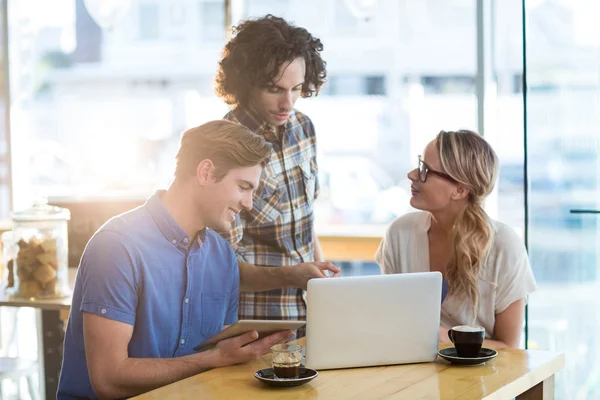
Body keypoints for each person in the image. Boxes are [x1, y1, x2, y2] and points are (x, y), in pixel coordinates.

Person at [57, 120, 295, 399]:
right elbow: (109, 380)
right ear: (206, 172)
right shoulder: (117, 247)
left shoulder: (223, 257)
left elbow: (219, 361)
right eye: (243, 187)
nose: (249, 204)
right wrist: (214, 359)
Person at [215, 15, 339, 332]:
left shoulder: (303, 128)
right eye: (275, 89)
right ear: (245, 82)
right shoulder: (225, 146)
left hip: (313, 315)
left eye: (296, 88)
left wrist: (324, 286)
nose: (288, 102)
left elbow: (306, 223)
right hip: (259, 324)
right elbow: (223, 269)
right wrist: (289, 275)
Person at [375, 129, 536, 349]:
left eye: (425, 170)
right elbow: (389, 322)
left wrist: (447, 337)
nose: (412, 174)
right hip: (410, 374)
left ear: (460, 190)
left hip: (483, 379)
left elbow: (510, 346)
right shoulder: (399, 234)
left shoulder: (505, 246)